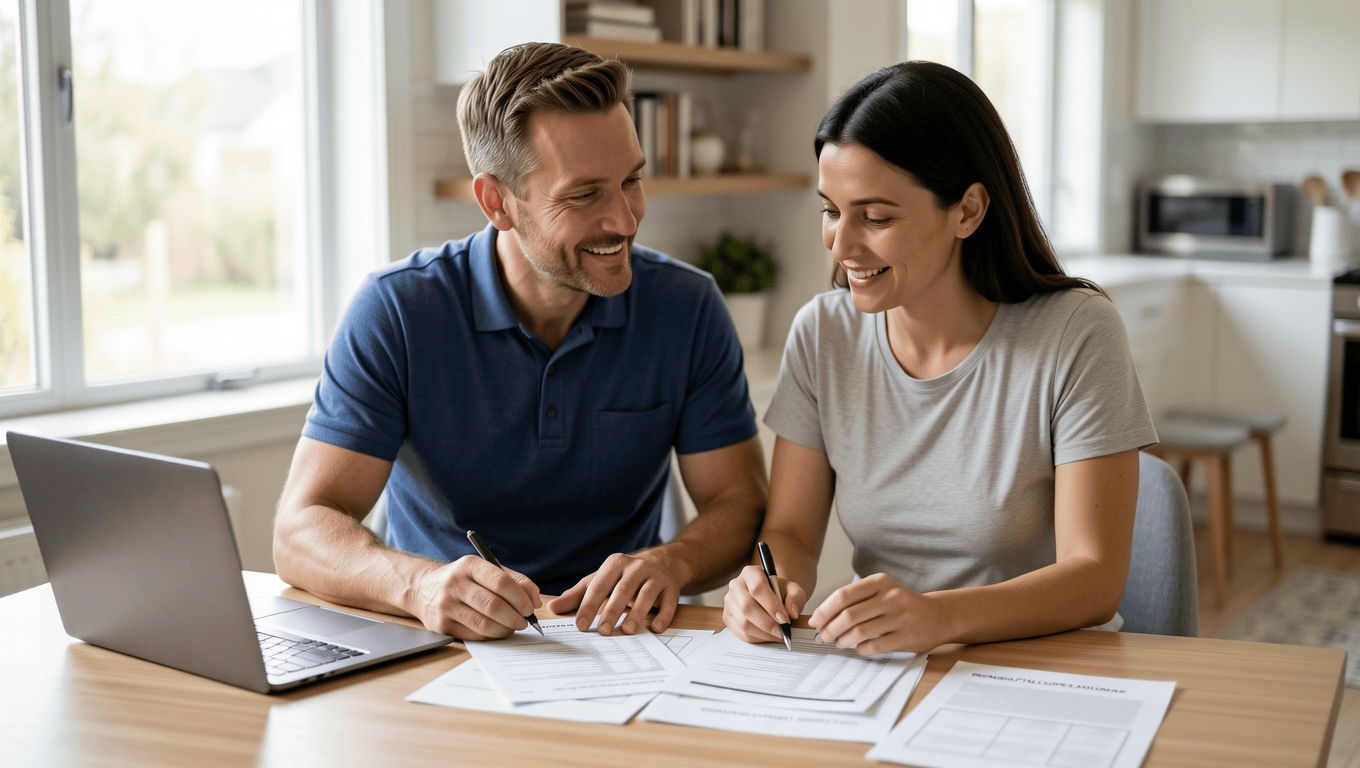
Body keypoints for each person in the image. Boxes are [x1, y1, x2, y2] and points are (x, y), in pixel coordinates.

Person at [274, 42, 767, 642]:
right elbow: (300, 529)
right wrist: (419, 586)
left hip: (626, 645)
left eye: (631, 180)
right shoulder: (397, 311)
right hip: (440, 644)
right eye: (585, 195)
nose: (626, 218)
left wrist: (672, 561)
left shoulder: (687, 308)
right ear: (497, 201)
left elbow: (739, 503)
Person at [722, 61, 1157, 656]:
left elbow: (1095, 578)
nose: (841, 245)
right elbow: (792, 533)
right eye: (831, 210)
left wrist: (938, 618)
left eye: (875, 217)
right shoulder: (822, 335)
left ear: (968, 211)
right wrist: (767, 588)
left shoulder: (1076, 333)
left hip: (1044, 668)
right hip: (886, 670)